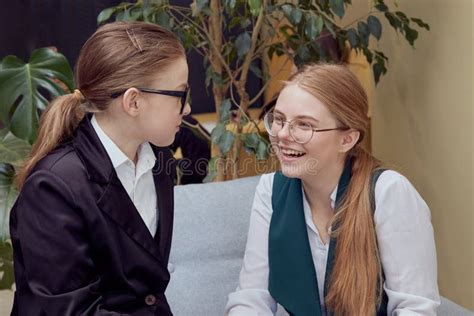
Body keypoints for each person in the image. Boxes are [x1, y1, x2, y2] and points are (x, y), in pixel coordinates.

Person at [225, 63, 440, 315]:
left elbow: (415, 309)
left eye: (304, 125)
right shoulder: (270, 189)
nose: (282, 135)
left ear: (347, 139)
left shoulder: (389, 192)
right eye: (279, 120)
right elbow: (251, 297)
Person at [10, 21, 190, 315]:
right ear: (133, 102)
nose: (187, 109)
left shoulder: (157, 158)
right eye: (180, 95)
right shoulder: (53, 187)